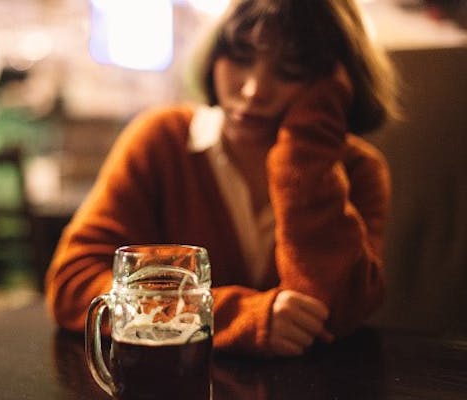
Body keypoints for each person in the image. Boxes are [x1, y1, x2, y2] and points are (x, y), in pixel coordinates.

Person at [45, 0, 399, 358]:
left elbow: (335, 313)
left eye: (291, 70)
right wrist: (234, 318)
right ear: (214, 54)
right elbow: (73, 284)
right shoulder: (161, 140)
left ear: (334, 85)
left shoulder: (358, 170)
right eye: (241, 56)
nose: (254, 90)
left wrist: (305, 158)